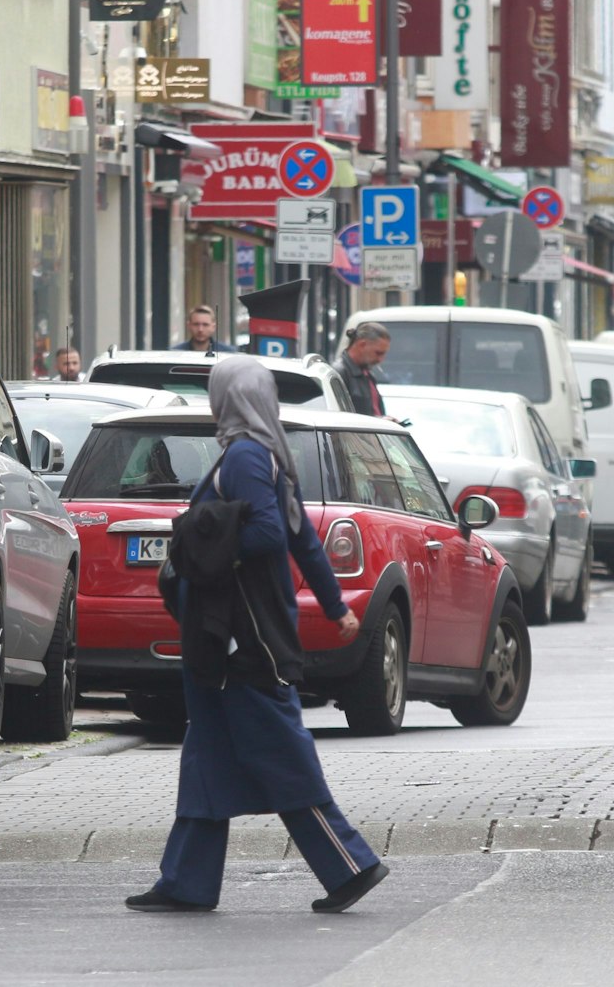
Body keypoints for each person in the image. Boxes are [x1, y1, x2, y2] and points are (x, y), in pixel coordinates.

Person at [126, 355, 388, 915]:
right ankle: (186, 883)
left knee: (281, 755)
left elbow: (268, 534)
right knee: (207, 758)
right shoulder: (267, 455)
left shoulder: (245, 456)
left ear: (230, 400)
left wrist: (197, 548)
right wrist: (336, 606)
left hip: (241, 639)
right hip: (225, 637)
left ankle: (351, 864)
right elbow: (303, 542)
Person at [333, 323, 390, 416]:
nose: (380, 360)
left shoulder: (368, 375)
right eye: (378, 353)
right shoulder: (339, 373)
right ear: (362, 345)